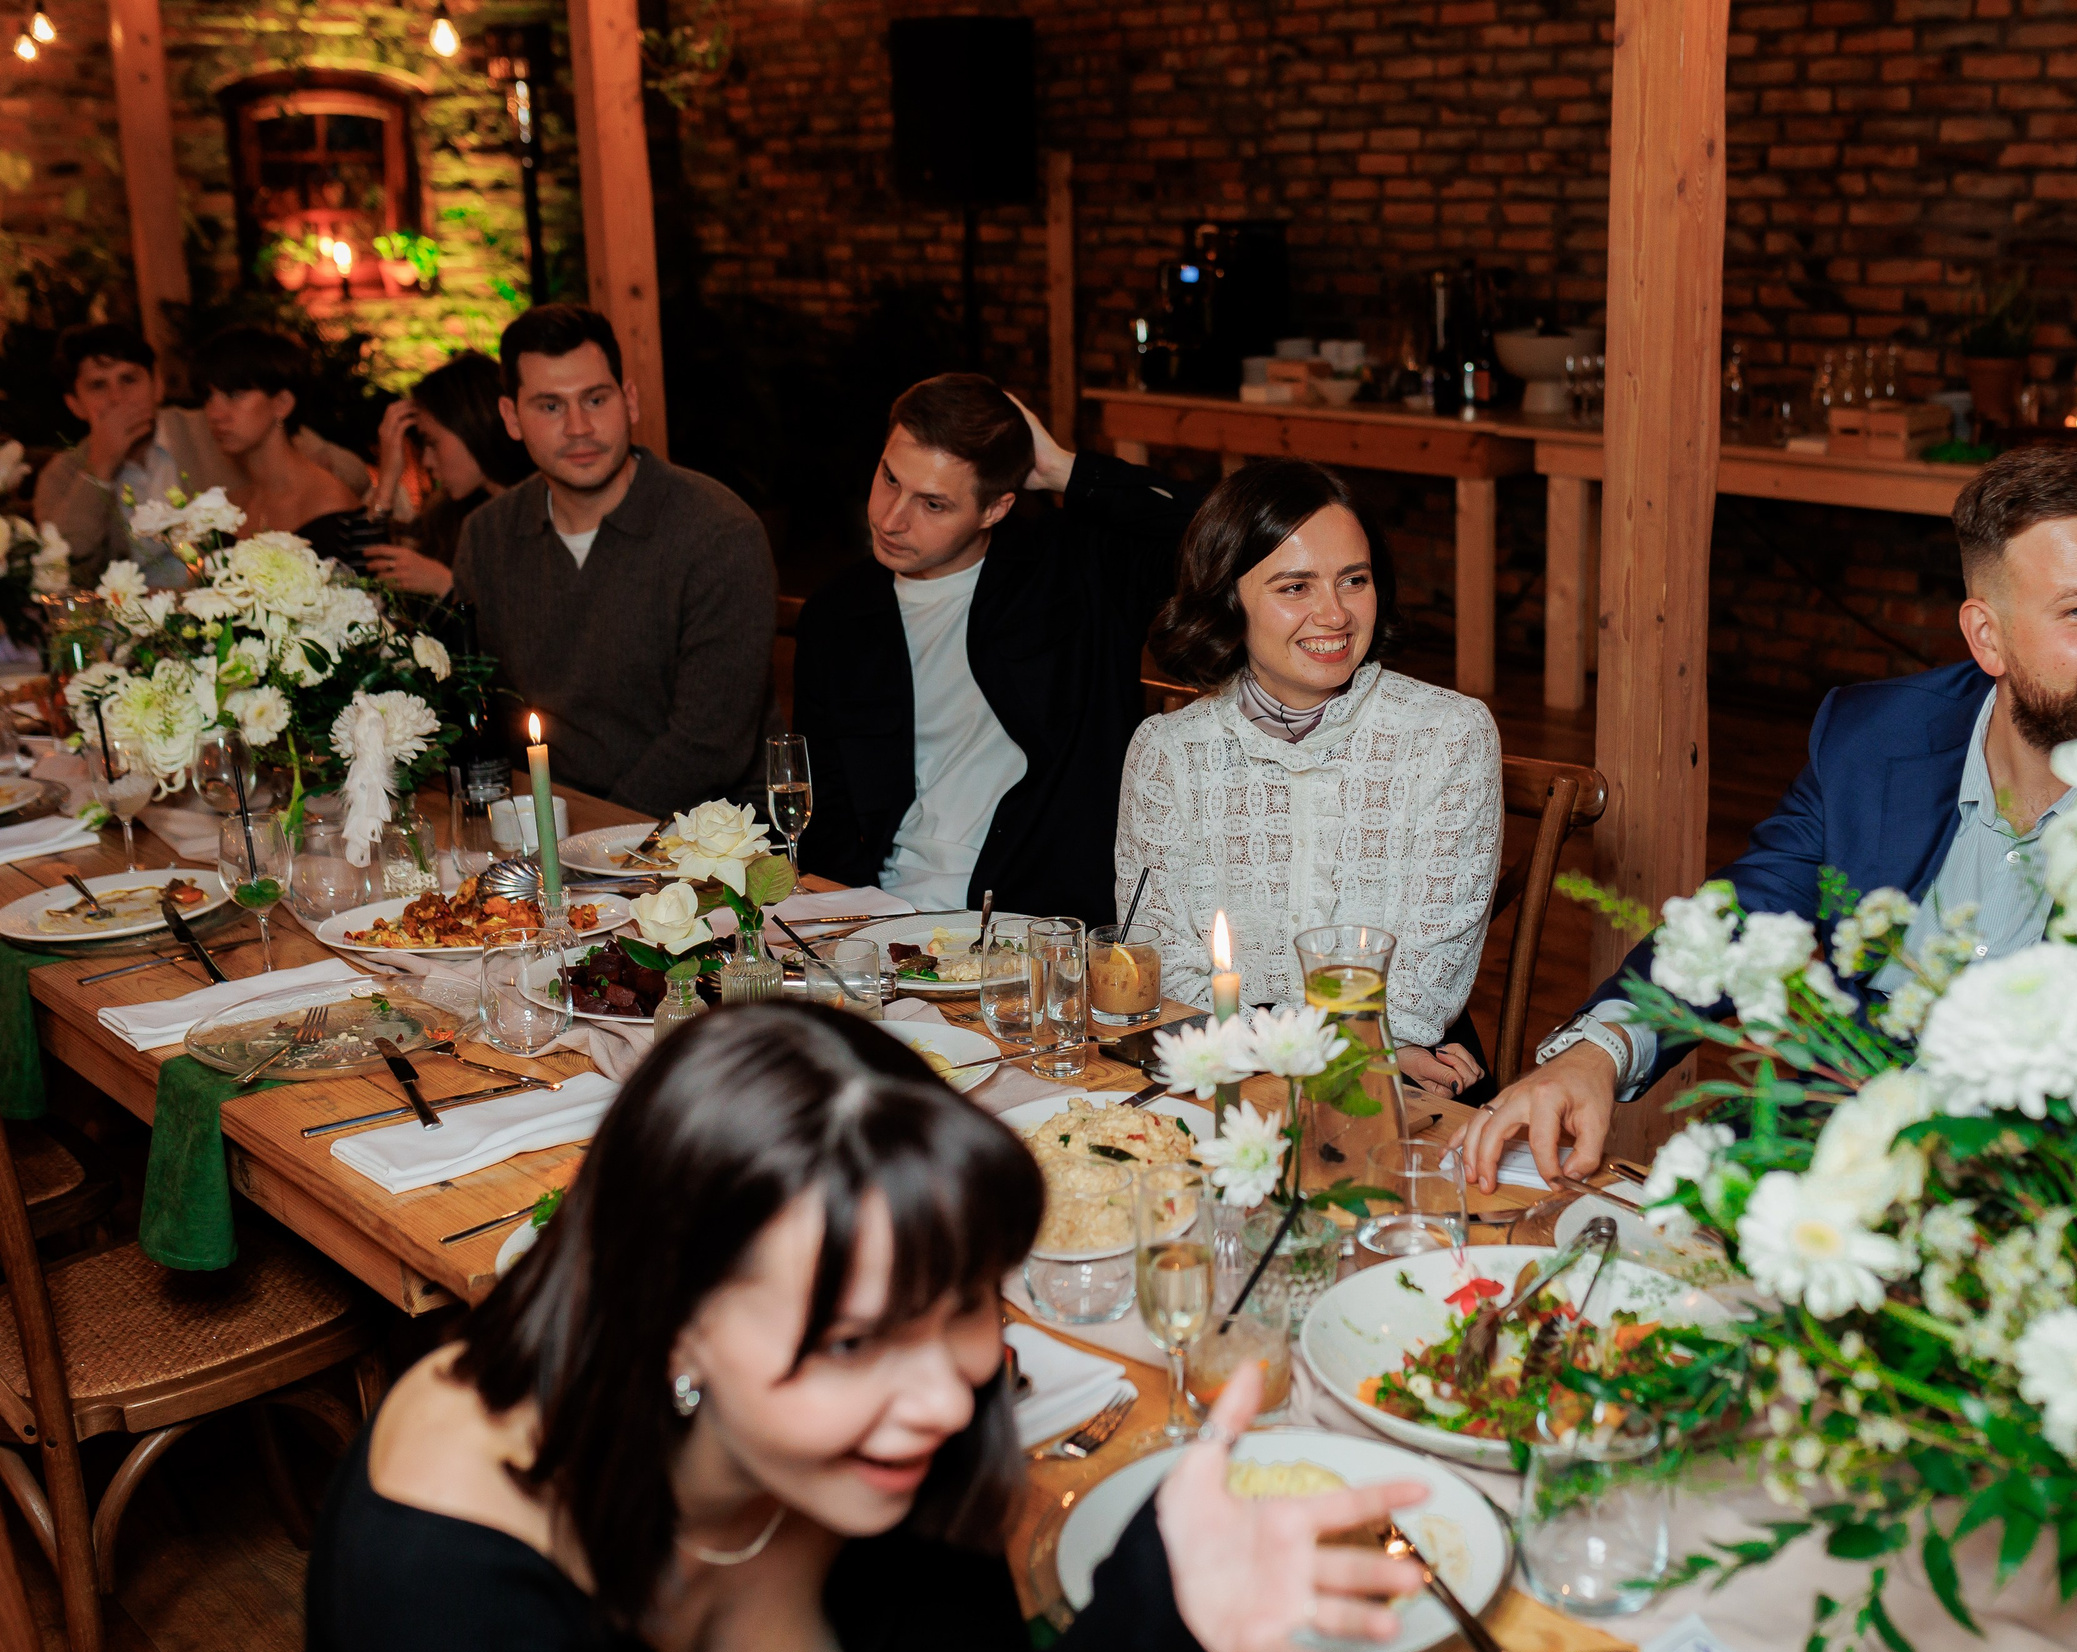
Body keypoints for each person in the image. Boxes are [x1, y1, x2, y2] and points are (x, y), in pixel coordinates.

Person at [301, 1003, 1425, 1652]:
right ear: (673, 1315)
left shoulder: (897, 1444)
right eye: (848, 1343)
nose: (944, 1394)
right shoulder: (448, 1562)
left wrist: (1154, 1622)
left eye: (970, 1304)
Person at [1458, 442, 2077, 1190]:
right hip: (1821, 1189)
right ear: (1986, 636)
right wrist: (1597, 1052)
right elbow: (1744, 914)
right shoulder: (1872, 739)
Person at [1117, 460, 1503, 1101]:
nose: (1335, 614)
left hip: (1391, 1092)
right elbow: (1157, 969)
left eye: (1354, 580)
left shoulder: (1448, 736)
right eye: (1295, 588)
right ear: (1227, 599)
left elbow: (1419, 995)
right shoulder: (1167, 752)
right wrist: (1368, 1041)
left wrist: (1270, 1029)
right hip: (1223, 1082)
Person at [794, 375, 1196, 923]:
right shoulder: (839, 613)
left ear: (996, 508)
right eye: (890, 479)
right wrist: (855, 928)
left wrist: (1062, 469)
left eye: (933, 504)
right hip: (881, 916)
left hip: (1035, 927)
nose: (890, 519)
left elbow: (1224, 535)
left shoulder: (1074, 575)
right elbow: (826, 807)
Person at [452, 305, 775, 814]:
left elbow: (709, 746)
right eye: (550, 406)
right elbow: (476, 707)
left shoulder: (717, 532)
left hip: (703, 839)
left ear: (629, 401)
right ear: (512, 418)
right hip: (545, 827)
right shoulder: (488, 534)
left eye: (596, 399)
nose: (579, 427)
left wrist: (587, 847)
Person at [33, 321, 369, 585]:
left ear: (158, 386)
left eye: (129, 380)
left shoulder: (214, 427)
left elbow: (350, 472)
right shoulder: (63, 475)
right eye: (98, 386)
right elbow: (59, 572)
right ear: (74, 404)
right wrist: (100, 468)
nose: (118, 399)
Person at [363, 351, 533, 596]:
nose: (427, 461)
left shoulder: (540, 511)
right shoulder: (450, 516)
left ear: (471, 427)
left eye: (432, 442)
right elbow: (367, 585)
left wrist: (448, 586)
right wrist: (388, 479)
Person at [192, 325, 372, 555]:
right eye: (208, 396)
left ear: (282, 403)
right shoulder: (232, 504)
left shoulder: (329, 504)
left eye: (234, 395)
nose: (215, 413)